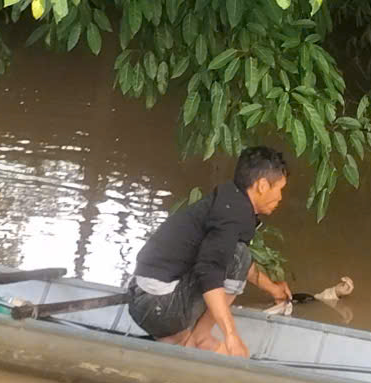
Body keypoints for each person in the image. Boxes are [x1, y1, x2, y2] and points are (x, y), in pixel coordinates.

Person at [125, 146, 301, 357]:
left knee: (238, 256)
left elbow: (227, 259)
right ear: (262, 186)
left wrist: (273, 289)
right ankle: (194, 338)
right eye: (279, 189)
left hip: (145, 299)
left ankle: (191, 337)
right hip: (157, 307)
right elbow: (211, 270)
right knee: (238, 256)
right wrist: (231, 335)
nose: (281, 197)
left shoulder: (231, 200)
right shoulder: (232, 215)